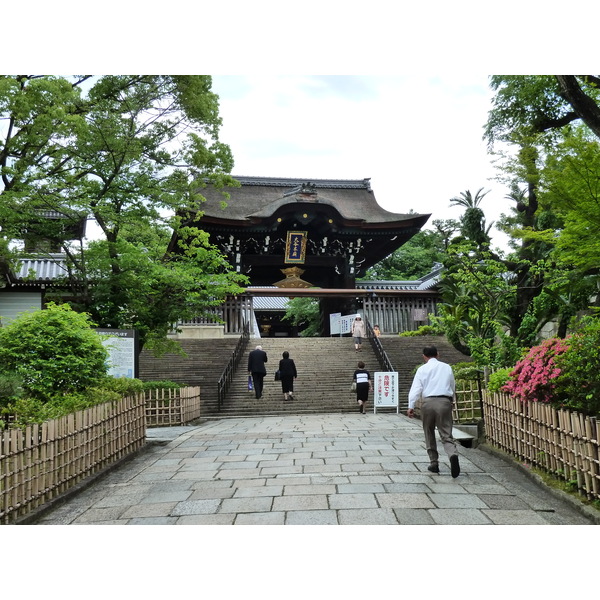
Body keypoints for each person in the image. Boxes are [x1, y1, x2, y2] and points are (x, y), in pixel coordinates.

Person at [407, 346, 460, 477]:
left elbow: (416, 389)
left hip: (428, 403)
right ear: (438, 354)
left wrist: (411, 406)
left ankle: (434, 462)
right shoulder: (447, 367)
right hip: (444, 402)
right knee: (446, 433)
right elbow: (452, 384)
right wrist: (452, 398)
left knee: (429, 431)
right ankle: (452, 454)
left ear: (424, 356)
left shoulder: (422, 369)